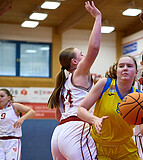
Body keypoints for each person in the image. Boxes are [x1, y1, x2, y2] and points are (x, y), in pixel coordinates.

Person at [77, 53, 143, 159]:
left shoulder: (140, 97)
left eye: (129, 66)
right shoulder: (105, 84)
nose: (125, 68)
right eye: (121, 66)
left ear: (136, 72)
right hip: (100, 148)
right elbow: (80, 110)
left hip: (126, 148)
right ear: (116, 71)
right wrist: (94, 120)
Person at [47, 1, 102, 159]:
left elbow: (59, 116)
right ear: (75, 62)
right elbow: (94, 48)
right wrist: (98, 17)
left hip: (58, 134)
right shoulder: (79, 73)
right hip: (76, 130)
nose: (85, 57)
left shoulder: (63, 83)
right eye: (81, 54)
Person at [0, 88, 36, 160]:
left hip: (12, 141)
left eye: (2, 96)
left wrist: (22, 118)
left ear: (9, 98)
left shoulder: (14, 106)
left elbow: (32, 112)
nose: (0, 98)